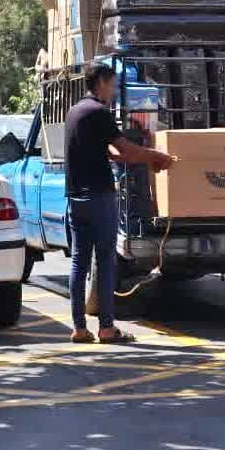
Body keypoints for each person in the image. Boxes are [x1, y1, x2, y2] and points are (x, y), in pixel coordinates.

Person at [65, 62, 174, 344]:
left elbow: (108, 153)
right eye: (113, 85)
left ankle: (78, 327)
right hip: (100, 196)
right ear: (101, 81)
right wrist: (154, 156)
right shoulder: (100, 112)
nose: (114, 91)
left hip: (76, 197)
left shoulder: (75, 112)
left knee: (79, 262)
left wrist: (137, 156)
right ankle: (106, 328)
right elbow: (124, 148)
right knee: (105, 261)